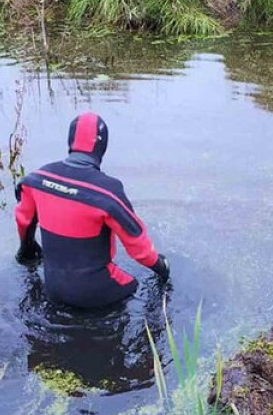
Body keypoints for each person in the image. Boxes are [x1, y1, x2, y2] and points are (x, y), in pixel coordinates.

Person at [14, 111, 170, 308]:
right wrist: (162, 267)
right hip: (96, 294)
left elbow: (24, 221)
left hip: (52, 288)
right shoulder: (108, 192)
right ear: (102, 148)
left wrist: (26, 249)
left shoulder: (35, 180)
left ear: (70, 142)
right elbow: (138, 247)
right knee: (135, 286)